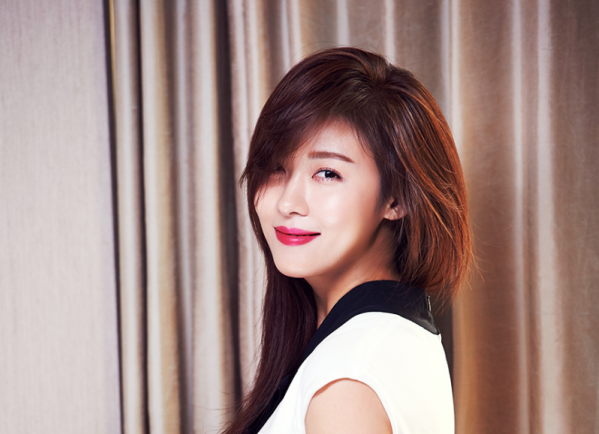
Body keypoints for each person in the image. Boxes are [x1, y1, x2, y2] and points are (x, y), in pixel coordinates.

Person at [223, 47, 471, 434]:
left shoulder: (348, 377)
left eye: (327, 173)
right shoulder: (385, 340)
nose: (288, 203)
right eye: (276, 169)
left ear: (397, 198)